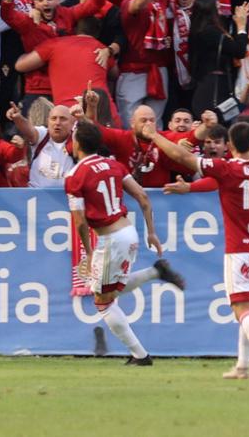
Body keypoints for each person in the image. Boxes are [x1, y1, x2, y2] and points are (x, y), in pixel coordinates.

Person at [141, 118, 249, 380]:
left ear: (230, 145)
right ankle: (242, 367)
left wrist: (154, 135)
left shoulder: (226, 168)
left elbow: (180, 155)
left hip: (240, 251)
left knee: (242, 311)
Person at [64, 121, 183, 366]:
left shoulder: (74, 175)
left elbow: (80, 222)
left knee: (103, 302)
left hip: (110, 239)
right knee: (113, 290)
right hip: (128, 231)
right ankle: (155, 272)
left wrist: (87, 251)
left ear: (76, 143)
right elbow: (142, 196)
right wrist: (151, 232)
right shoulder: (114, 164)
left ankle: (141, 356)